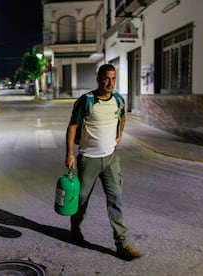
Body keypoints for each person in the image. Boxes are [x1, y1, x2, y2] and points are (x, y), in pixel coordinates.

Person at [64, 64, 142, 260]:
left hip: (110, 158)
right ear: (98, 79)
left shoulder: (118, 100)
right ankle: (75, 226)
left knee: (115, 199)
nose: (110, 83)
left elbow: (122, 118)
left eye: (113, 78)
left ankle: (122, 244)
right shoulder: (87, 101)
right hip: (88, 159)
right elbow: (72, 127)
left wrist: (119, 136)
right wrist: (70, 154)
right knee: (81, 200)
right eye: (107, 78)